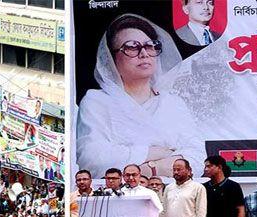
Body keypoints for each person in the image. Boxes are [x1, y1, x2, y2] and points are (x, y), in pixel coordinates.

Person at [76, 14, 204, 180]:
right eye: (131, 47)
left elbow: (197, 158)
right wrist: (155, 153)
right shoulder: (97, 101)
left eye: (150, 46)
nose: (144, 53)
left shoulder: (173, 103)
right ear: (111, 59)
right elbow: (92, 159)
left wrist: (149, 168)